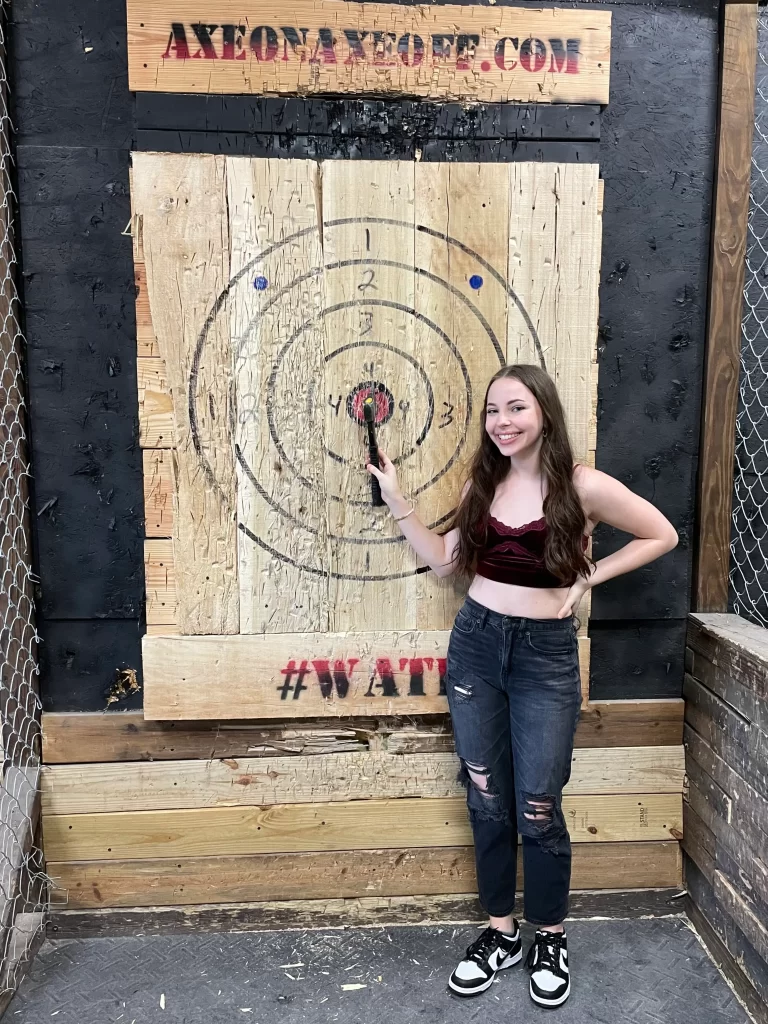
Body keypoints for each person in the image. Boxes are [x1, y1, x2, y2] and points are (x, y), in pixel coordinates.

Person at [366, 363, 678, 1008]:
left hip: (544, 658)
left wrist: (588, 579)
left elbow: (661, 534)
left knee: (538, 802)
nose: (502, 423)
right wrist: (399, 501)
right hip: (477, 646)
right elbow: (448, 561)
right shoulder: (486, 482)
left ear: (543, 414)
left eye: (515, 409)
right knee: (486, 797)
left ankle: (549, 936)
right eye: (492, 412)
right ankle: (499, 931)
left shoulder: (581, 485)